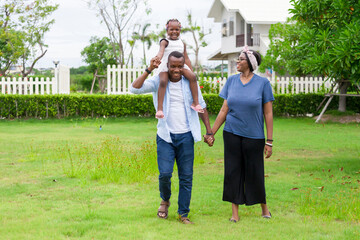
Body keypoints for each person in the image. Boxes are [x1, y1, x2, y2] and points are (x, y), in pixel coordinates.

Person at [130, 51, 213, 224]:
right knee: (165, 174)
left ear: (184, 66)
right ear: (167, 65)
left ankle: (183, 213)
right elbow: (134, 89)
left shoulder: (190, 83)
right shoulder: (159, 81)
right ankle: (165, 200)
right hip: (165, 136)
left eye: (180, 66)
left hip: (186, 137)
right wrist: (148, 69)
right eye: (173, 66)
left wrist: (209, 131)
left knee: (186, 177)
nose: (176, 70)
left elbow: (202, 106)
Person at [206, 46, 274, 222]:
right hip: (232, 134)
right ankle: (234, 214)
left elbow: (268, 113)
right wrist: (211, 132)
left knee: (255, 172)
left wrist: (270, 141)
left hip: (254, 136)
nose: (237, 61)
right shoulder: (231, 81)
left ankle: (264, 208)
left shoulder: (263, 84)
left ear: (250, 63)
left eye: (241, 59)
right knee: (232, 172)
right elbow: (224, 110)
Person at [154, 19, 203, 119]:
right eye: (171, 29)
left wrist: (190, 70)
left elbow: (186, 58)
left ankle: (196, 103)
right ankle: (159, 109)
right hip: (166, 66)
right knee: (163, 81)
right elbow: (161, 52)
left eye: (177, 29)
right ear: (167, 29)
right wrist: (157, 58)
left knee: (192, 77)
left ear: (180, 30)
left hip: (179, 66)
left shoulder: (182, 43)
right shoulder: (165, 41)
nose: (174, 32)